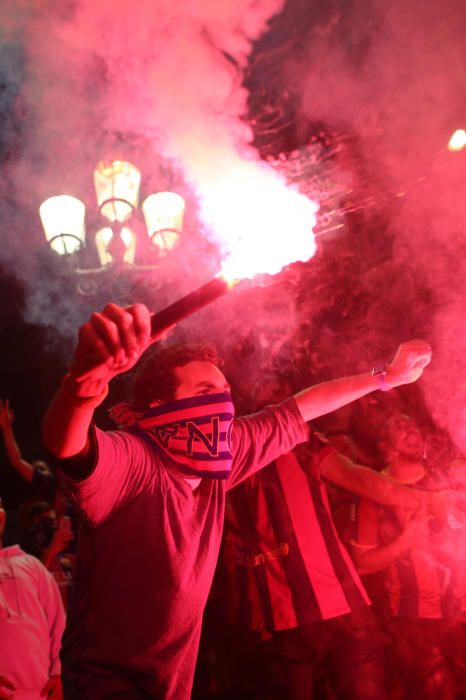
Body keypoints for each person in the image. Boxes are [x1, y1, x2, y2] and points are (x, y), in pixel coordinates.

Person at [42, 301, 432, 700]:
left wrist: (385, 378)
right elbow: (66, 444)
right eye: (206, 392)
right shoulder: (133, 461)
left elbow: (299, 409)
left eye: (225, 392)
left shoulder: (221, 457)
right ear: (162, 409)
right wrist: (84, 384)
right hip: (103, 685)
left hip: (171, 687)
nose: (223, 405)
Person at [221, 379, 445, 700]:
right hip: (286, 622)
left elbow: (359, 479)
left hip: (338, 613)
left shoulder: (298, 441)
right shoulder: (225, 453)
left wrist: (432, 501)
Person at [353, 413, 464, 699]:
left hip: (461, 614)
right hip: (415, 621)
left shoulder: (442, 483)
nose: (408, 425)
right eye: (396, 425)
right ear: (385, 447)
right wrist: (406, 541)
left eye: (410, 422)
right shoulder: (373, 495)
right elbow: (362, 565)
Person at [0, 497, 65, 700]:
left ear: (1, 519)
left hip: (43, 691)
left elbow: (58, 623)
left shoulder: (31, 565)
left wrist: (60, 673)